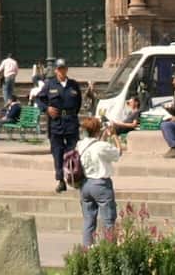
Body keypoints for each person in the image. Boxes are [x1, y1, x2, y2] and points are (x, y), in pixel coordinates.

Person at [75, 117, 121, 247]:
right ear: (98, 130)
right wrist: (115, 136)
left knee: (88, 220)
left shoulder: (80, 144)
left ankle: (87, 248)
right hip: (101, 185)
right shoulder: (102, 146)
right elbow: (117, 153)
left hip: (85, 184)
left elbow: (96, 147)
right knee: (108, 220)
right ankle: (109, 249)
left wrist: (103, 136)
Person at [43, 63, 84, 193]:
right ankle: (61, 180)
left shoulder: (73, 84)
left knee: (72, 152)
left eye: (64, 69)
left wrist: (71, 114)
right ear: (56, 70)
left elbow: (79, 102)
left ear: (67, 70)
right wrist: (47, 109)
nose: (62, 71)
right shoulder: (50, 84)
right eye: (59, 69)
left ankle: (74, 178)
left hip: (71, 122)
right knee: (57, 152)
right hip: (56, 123)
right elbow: (39, 99)